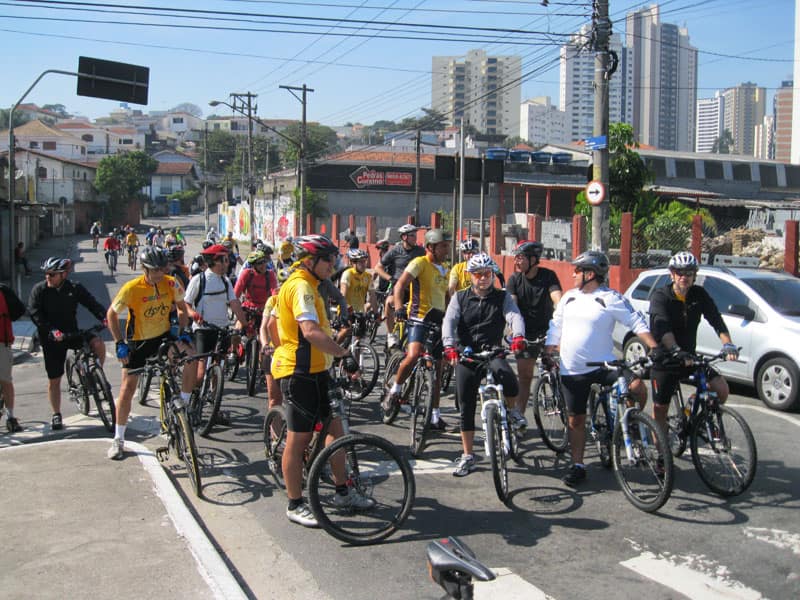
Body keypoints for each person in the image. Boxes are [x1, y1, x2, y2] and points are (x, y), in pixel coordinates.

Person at [271, 235, 364, 527]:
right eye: (328, 260)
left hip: (318, 370)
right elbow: (310, 331)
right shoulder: (300, 286)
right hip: (299, 373)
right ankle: (295, 504)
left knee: (336, 432)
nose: (333, 266)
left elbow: (287, 323)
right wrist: (343, 354)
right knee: (298, 439)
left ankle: (342, 492)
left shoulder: (311, 284)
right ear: (310, 261)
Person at [544, 251, 659, 487]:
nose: (573, 274)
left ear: (590, 274)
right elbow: (556, 325)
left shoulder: (610, 297)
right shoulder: (569, 298)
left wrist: (654, 347)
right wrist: (548, 351)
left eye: (577, 270)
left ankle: (632, 420)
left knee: (637, 386)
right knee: (576, 420)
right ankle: (578, 465)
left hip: (605, 365)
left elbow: (635, 321)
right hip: (573, 369)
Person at [106, 247, 196, 459]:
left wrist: (182, 331)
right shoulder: (132, 288)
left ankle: (184, 404)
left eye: (161, 269)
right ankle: (118, 439)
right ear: (144, 268)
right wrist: (119, 343)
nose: (158, 274)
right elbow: (111, 314)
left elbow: (182, 308)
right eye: (154, 270)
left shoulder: (171, 282)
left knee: (191, 357)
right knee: (128, 388)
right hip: (138, 341)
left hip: (163, 336)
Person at [442, 253, 526, 476]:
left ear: (492, 275)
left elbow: (514, 316)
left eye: (487, 274)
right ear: (470, 276)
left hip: (492, 351)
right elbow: (449, 322)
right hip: (467, 355)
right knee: (466, 405)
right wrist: (449, 346)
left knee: (509, 380)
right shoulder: (459, 297)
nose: (483, 278)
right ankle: (468, 455)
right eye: (478, 274)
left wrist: (518, 336)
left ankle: (512, 412)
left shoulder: (502, 297)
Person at [648, 251, 739, 430]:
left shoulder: (699, 294)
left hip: (690, 358)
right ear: (672, 274)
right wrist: (675, 350)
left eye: (689, 273)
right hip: (665, 360)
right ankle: (660, 448)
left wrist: (728, 343)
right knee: (660, 410)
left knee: (720, 389)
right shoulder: (661, 296)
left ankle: (693, 417)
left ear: (694, 276)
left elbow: (716, 319)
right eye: (680, 273)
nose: (684, 277)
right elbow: (663, 328)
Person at [28, 257, 108, 431]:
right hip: (52, 339)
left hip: (72, 333)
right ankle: (56, 413)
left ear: (63, 275)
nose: (48, 277)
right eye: (47, 274)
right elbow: (35, 314)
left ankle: (96, 375)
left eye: (52, 274)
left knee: (98, 343)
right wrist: (52, 330)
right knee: (54, 379)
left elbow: (91, 303)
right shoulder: (39, 290)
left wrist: (103, 316)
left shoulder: (74, 288)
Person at [385, 228, 452, 430]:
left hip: (438, 321)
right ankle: (395, 390)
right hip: (419, 317)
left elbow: (447, 298)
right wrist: (398, 307)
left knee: (438, 370)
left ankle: (434, 416)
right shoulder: (419, 263)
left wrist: (452, 320)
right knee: (413, 355)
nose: (447, 249)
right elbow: (400, 285)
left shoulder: (445, 269)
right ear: (431, 247)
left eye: (447, 246)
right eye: (443, 246)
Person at [505, 241, 563, 426]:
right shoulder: (514, 279)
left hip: (547, 331)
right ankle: (519, 417)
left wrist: (561, 316)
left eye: (520, 258)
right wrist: (514, 330)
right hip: (525, 333)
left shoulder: (548, 276)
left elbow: (557, 298)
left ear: (533, 259)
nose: (517, 261)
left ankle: (564, 402)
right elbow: (512, 306)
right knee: (525, 376)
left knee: (561, 369)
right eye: (515, 258)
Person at [184, 244, 249, 389]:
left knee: (218, 365)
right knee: (201, 373)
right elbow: (186, 304)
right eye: (224, 260)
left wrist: (244, 324)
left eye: (227, 260)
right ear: (213, 261)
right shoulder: (199, 279)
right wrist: (193, 314)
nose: (227, 264)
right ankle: (194, 396)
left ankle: (214, 397)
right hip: (203, 329)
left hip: (222, 329)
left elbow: (234, 303)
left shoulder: (225, 281)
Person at [374, 224, 424, 348]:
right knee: (389, 303)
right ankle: (391, 335)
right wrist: (390, 278)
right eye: (412, 235)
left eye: (415, 235)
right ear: (404, 237)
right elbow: (378, 268)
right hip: (398, 288)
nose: (415, 238)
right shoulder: (395, 250)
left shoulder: (420, 251)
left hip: (415, 288)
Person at [0, 282, 27, 432]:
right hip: (2, 342)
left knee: (5, 380)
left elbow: (18, 311)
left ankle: (10, 417)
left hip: (1, 342)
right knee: (5, 380)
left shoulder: (3, 290)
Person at [335, 248, 377, 344]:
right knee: (346, 330)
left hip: (360, 311)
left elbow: (373, 296)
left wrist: (376, 314)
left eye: (364, 261)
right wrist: (346, 307)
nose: (364, 264)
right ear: (353, 263)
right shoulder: (348, 274)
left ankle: (356, 354)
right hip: (346, 310)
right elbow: (343, 294)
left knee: (359, 339)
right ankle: (332, 351)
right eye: (360, 262)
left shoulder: (368, 276)